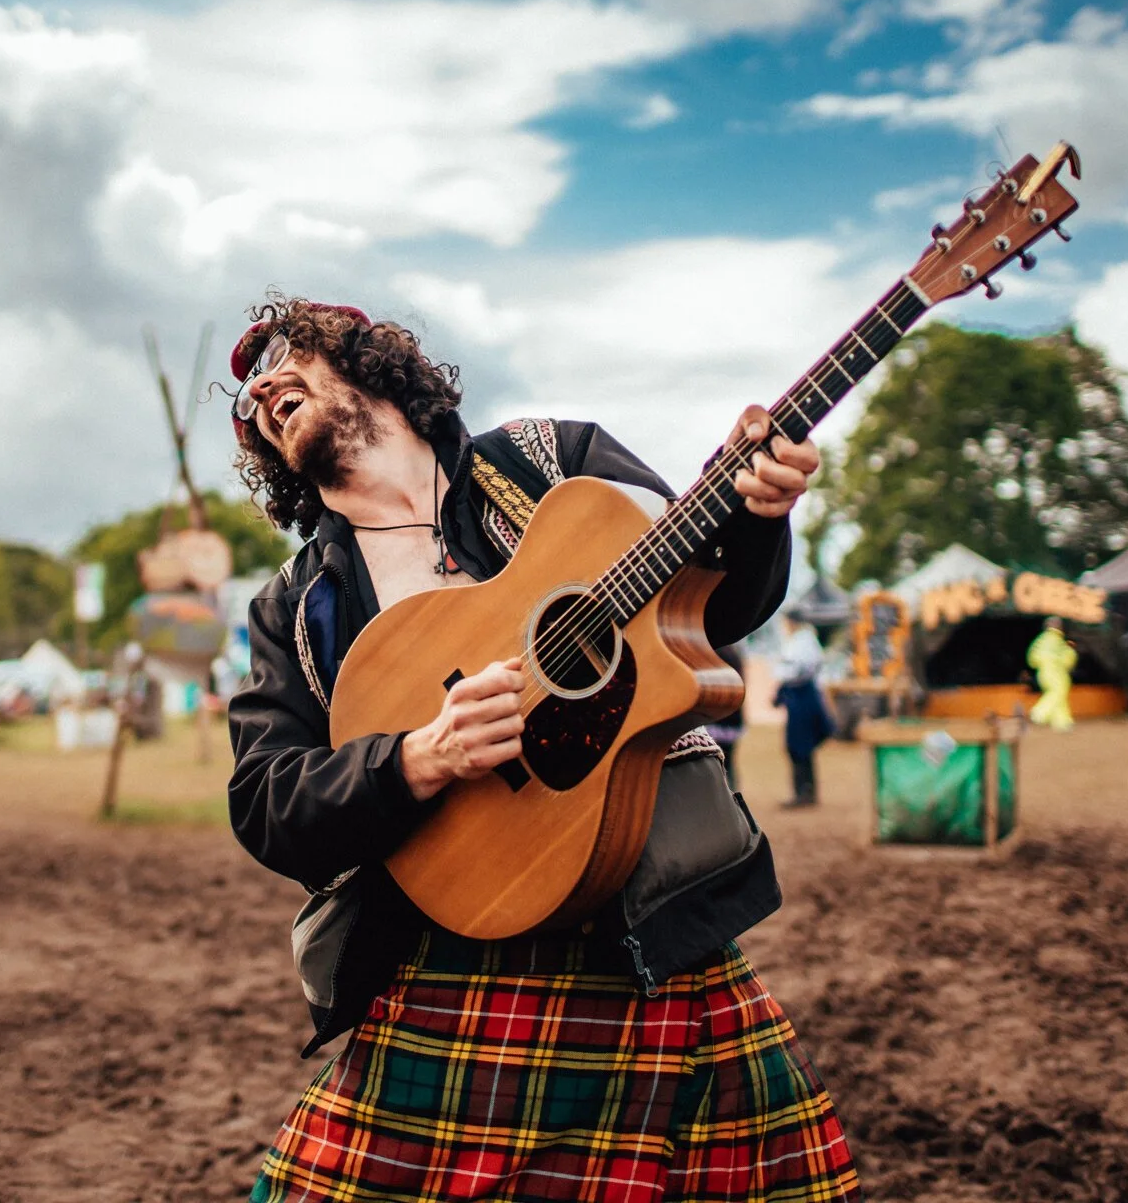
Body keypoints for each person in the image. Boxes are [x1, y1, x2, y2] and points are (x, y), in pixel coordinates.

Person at [224, 299, 859, 1202]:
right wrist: (415, 758)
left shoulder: (552, 464)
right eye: (248, 400)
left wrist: (754, 518)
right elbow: (265, 805)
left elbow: (702, 609)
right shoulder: (295, 606)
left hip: (647, 937)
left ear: (367, 359)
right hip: (447, 966)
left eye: (286, 354)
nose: (263, 387)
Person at [774, 611, 833, 808]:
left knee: (799, 746)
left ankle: (804, 793)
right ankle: (805, 791)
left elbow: (797, 671)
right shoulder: (804, 640)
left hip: (802, 696)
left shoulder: (803, 642)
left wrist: (783, 685)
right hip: (802, 695)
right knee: (800, 747)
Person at [705, 641, 747, 789]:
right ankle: (732, 794)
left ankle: (725, 795)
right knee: (727, 761)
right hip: (732, 715)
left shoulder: (718, 652)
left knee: (719, 761)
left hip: (720, 717)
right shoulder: (733, 653)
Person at [1026, 616, 1077, 732]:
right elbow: (1067, 660)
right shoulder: (1059, 641)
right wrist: (1071, 651)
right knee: (1057, 692)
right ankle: (1038, 713)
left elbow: (1032, 657)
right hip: (1056, 672)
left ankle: (1062, 722)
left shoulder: (1041, 640)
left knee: (1058, 695)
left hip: (1042, 672)